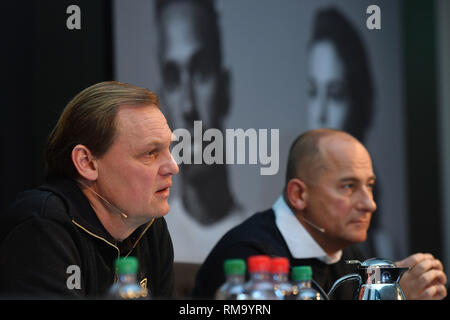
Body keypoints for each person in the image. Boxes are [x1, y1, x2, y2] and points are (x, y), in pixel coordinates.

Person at [193, 129, 447, 300]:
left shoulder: (346, 253)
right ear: (299, 195)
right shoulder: (251, 256)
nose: (370, 204)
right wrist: (393, 293)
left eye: (369, 185)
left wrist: (387, 284)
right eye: (348, 187)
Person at [0, 81, 179, 299]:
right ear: (87, 163)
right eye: (151, 152)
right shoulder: (42, 226)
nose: (173, 167)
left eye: (168, 149)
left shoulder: (150, 226)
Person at [155, 0, 244, 264]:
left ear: (225, 88)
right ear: (161, 100)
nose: (188, 105)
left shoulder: (262, 241)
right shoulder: (145, 244)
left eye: (202, 72)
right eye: (173, 79)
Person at [306, 6, 393, 259]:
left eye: (335, 95)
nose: (320, 113)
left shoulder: (383, 248)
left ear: (359, 104)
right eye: (312, 92)